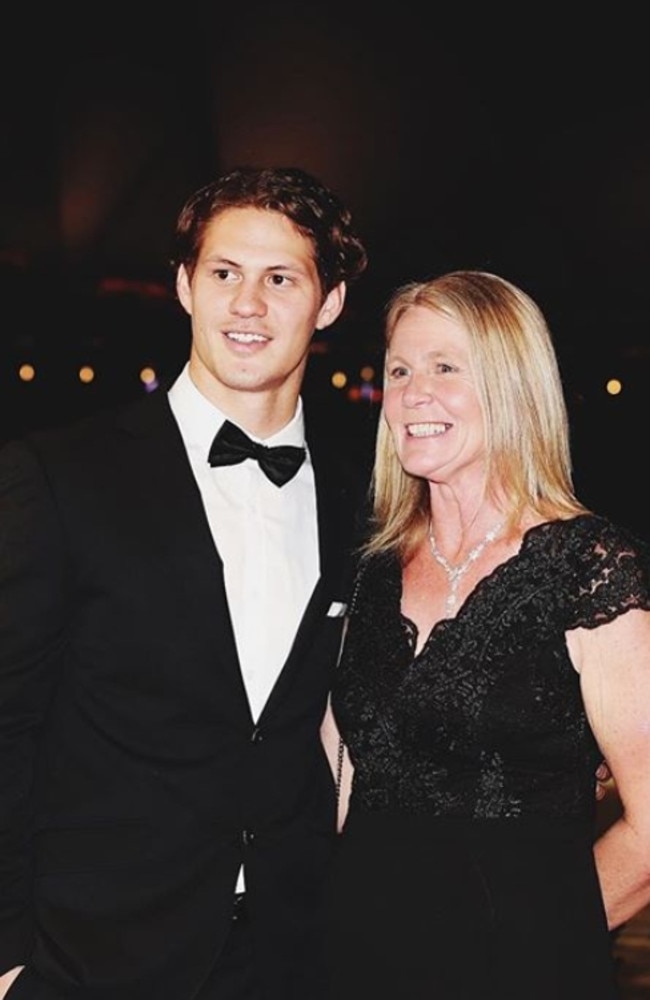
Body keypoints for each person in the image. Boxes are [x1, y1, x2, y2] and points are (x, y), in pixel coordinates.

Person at [0, 165, 368, 1000]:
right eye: (224, 273)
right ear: (183, 286)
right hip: (87, 960)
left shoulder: (365, 504)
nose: (249, 304)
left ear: (331, 302)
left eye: (281, 279)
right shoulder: (57, 477)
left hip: (291, 958)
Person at [321, 269, 650, 999]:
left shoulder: (587, 565)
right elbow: (343, 782)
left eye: (445, 367)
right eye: (400, 369)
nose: (413, 392)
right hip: (353, 963)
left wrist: (540, 937)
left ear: (512, 386)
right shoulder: (369, 570)